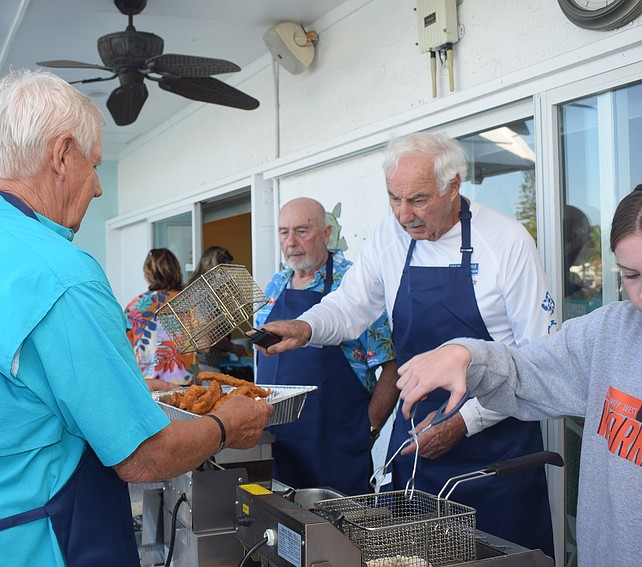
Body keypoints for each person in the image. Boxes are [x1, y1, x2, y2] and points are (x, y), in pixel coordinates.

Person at [0, 69, 273, 566]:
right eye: (96, 164)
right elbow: (144, 455)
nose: (99, 187)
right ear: (62, 156)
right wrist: (224, 425)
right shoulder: (59, 273)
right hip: (31, 545)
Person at [256, 133, 557, 555]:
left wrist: (461, 424)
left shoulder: (507, 243)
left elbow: (539, 361)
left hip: (495, 457)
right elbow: (350, 305)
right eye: (393, 199)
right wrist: (305, 327)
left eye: (417, 199)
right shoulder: (391, 236)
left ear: (452, 186)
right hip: (416, 445)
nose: (403, 215)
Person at [397, 185, 642, 567]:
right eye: (631, 276)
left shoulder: (507, 241)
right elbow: (526, 368)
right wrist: (465, 355)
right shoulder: (609, 332)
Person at [254, 197, 399, 496]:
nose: (291, 242)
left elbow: (392, 365)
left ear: (326, 233)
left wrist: (369, 429)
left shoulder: (352, 284)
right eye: (284, 232)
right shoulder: (274, 284)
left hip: (336, 447)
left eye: (302, 231)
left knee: (337, 538)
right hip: (275, 445)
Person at [125, 248, 199, 386]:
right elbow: (205, 345)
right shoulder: (189, 302)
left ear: (148, 273)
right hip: (185, 380)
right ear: (176, 269)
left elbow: (125, 347)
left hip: (149, 382)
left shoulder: (135, 306)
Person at [189, 246, 247, 373]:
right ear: (216, 267)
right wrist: (233, 347)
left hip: (191, 363)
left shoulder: (194, 290)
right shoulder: (207, 294)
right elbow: (210, 332)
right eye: (227, 268)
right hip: (205, 363)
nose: (229, 274)